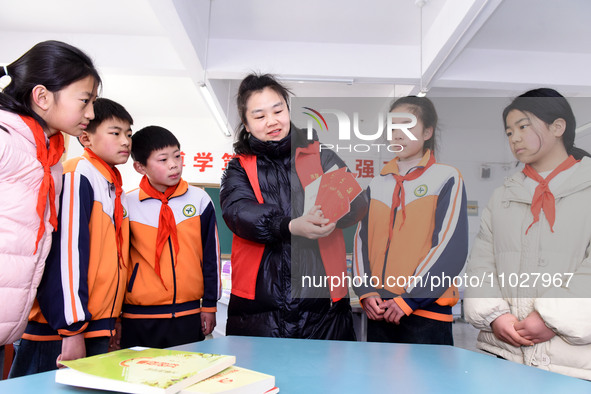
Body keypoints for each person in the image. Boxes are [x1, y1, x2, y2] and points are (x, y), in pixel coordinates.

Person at [220, 73, 368, 339]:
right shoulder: (239, 167)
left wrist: (336, 215)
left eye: (278, 110)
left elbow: (356, 199)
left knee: (326, 379)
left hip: (324, 306)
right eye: (260, 115)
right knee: (262, 378)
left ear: (288, 109)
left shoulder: (323, 156)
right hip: (260, 305)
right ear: (247, 123)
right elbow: (238, 212)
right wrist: (288, 225)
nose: (272, 121)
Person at [464, 88, 591, 380]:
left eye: (523, 126)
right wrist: (494, 316)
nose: (515, 138)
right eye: (509, 132)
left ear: (558, 127)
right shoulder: (502, 197)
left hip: (570, 363)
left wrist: (552, 319)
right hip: (502, 355)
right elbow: (482, 264)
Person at [9, 98, 133, 377]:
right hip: (63, 329)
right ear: (86, 137)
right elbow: (67, 254)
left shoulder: (110, 184)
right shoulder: (79, 173)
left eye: (129, 134)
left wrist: (112, 320)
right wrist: (72, 328)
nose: (125, 141)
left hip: (94, 323)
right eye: (115, 132)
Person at [0, 40, 100, 360]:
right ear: (42, 96)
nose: (91, 113)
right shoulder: (5, 140)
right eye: (85, 101)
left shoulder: (49, 157)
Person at [353, 96, 469, 345]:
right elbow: (361, 242)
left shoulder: (447, 178)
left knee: (425, 385)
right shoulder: (377, 184)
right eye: (393, 127)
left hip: (426, 314)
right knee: (378, 384)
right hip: (380, 311)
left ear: (427, 131)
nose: (397, 134)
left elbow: (450, 248)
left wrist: (411, 298)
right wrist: (365, 290)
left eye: (406, 125)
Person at [120, 125, 220, 348]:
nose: (174, 165)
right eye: (163, 159)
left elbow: (210, 257)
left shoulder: (200, 200)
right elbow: (119, 262)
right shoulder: (127, 204)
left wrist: (210, 306)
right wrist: (115, 316)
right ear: (140, 167)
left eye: (177, 156)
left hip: (189, 313)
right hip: (138, 317)